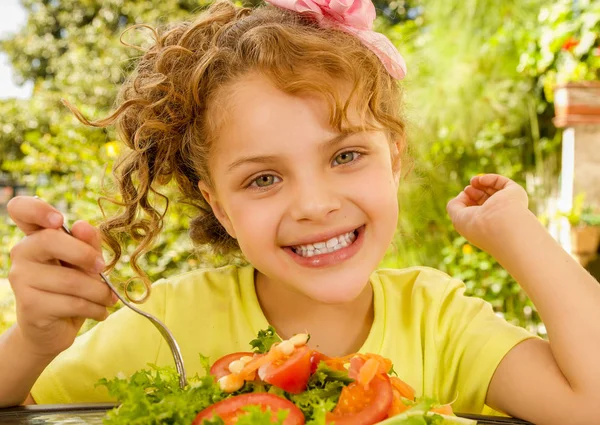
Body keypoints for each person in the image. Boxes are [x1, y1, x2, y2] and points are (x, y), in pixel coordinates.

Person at [0, 0, 598, 423]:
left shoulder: (439, 320)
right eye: (263, 178)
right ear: (220, 208)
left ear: (393, 159)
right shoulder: (171, 320)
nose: (315, 204)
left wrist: (519, 234)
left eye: (345, 155)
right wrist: (31, 341)